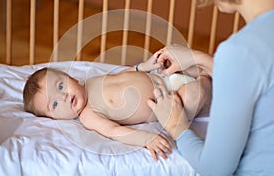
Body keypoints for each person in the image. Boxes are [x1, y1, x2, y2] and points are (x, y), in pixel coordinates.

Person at [148, 0, 274, 176]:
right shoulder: (249, 52)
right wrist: (202, 60)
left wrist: (177, 126)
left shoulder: (240, 52)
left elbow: (215, 169)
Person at [23, 53, 212, 161]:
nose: (64, 97)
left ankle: (208, 69)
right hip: (171, 101)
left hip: (163, 77)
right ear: (54, 118)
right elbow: (115, 131)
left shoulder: (91, 81)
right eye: (55, 104)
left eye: (61, 86)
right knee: (194, 95)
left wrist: (142, 67)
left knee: (178, 61)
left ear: (72, 78)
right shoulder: (88, 115)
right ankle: (206, 81)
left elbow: (122, 75)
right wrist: (146, 139)